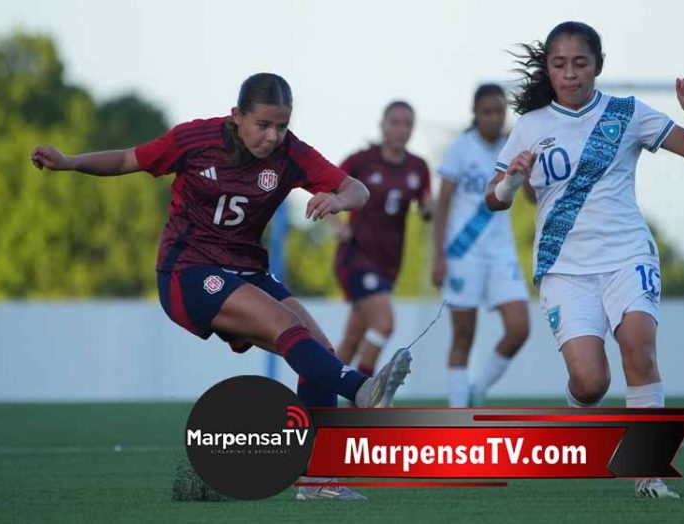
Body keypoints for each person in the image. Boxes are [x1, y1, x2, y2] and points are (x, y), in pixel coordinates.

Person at [30, 72, 413, 501]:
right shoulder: (194, 140)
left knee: (318, 353)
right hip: (187, 271)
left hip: (246, 270)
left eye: (282, 126)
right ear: (237, 117)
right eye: (263, 125)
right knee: (284, 322)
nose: (273, 136)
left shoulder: (290, 154)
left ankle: (316, 479)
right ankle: (361, 389)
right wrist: (70, 161)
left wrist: (338, 200)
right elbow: (127, 160)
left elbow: (354, 188)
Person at [486, 22, 684, 499]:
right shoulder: (530, 126)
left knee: (639, 348)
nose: (570, 74)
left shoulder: (626, 113)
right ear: (548, 69)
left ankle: (648, 472)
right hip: (565, 268)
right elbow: (498, 198)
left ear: (598, 66)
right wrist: (513, 179)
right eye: (560, 64)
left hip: (628, 254)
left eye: (580, 63)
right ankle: (580, 406)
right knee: (591, 383)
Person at [432, 84, 530, 407]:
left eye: (499, 111)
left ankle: (477, 391)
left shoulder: (512, 147)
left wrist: (525, 171)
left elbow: (531, 196)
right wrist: (438, 257)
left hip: (501, 253)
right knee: (464, 335)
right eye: (486, 112)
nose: (493, 118)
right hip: (464, 253)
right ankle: (458, 412)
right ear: (474, 114)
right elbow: (442, 203)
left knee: (519, 328)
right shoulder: (461, 148)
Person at [332, 101, 432, 382]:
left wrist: (428, 210)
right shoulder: (361, 160)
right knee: (384, 324)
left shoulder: (418, 167)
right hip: (356, 258)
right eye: (395, 122)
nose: (401, 129)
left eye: (407, 123)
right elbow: (326, 187)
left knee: (352, 340)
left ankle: (318, 398)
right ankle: (363, 392)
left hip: (389, 264)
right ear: (383, 125)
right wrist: (336, 224)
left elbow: (426, 206)